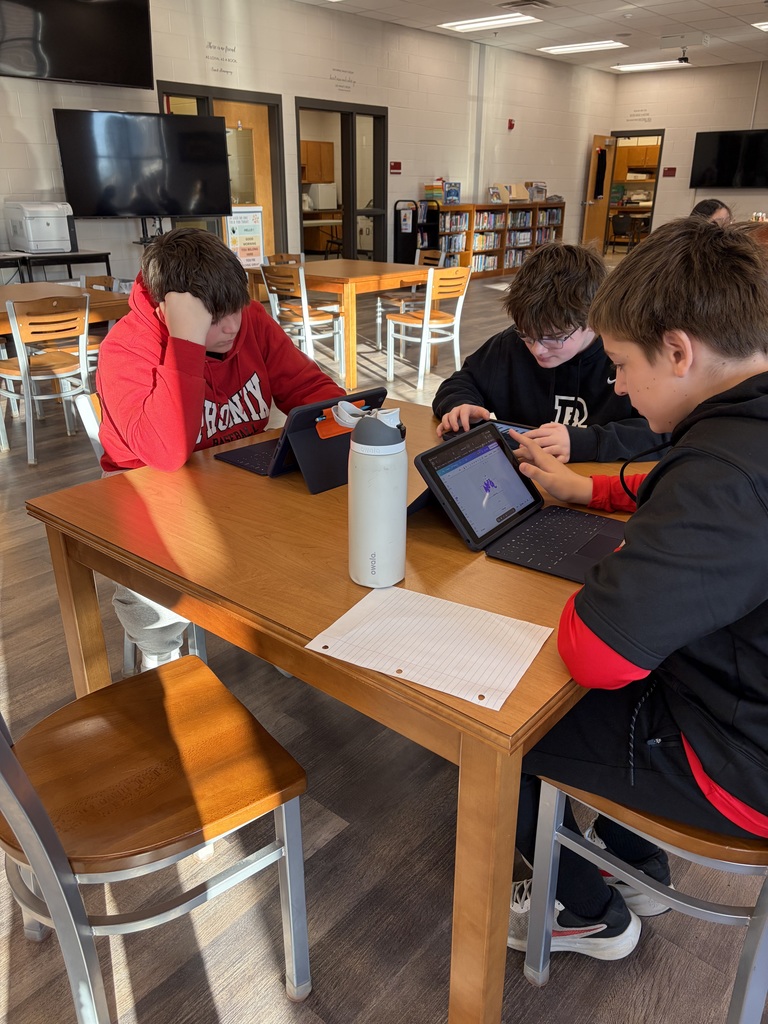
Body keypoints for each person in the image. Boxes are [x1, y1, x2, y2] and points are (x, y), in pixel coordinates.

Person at [505, 217, 768, 962]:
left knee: (510, 730)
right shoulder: (743, 427)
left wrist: (612, 563)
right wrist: (589, 494)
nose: (615, 384)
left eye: (620, 363)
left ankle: (584, 911)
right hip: (743, 704)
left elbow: (596, 653)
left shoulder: (724, 478)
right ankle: (640, 866)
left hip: (742, 764)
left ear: (678, 350)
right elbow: (667, 483)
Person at [96, 227, 345, 667]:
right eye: (214, 318)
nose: (233, 326)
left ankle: (275, 629)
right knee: (155, 595)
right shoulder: (126, 351)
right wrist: (185, 345)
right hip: (149, 489)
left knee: (310, 538)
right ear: (168, 311)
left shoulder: (246, 320)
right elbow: (167, 452)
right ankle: (164, 661)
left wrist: (347, 413)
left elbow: (305, 386)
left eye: (237, 310)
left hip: (234, 475)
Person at [431, 242, 666, 463]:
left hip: (593, 486)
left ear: (594, 320)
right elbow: (460, 383)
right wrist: (460, 405)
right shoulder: (509, 345)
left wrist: (586, 442)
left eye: (554, 338)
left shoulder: (625, 359)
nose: (537, 349)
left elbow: (664, 433)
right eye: (527, 335)